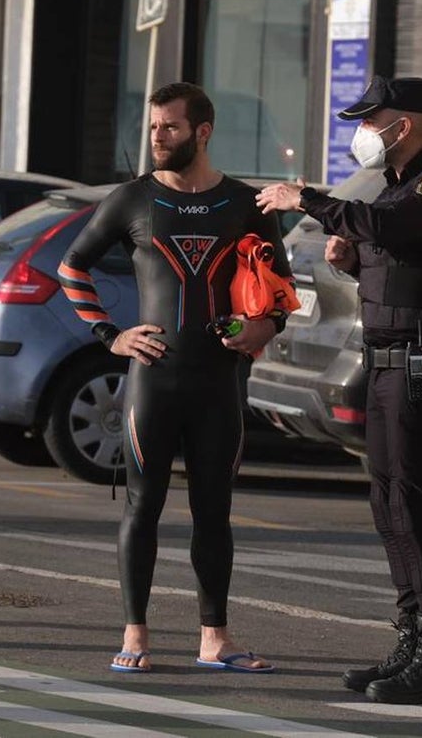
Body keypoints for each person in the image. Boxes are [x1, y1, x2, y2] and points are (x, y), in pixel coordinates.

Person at [256, 75, 422, 704]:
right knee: (386, 504)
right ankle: (409, 639)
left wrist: (308, 199)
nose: (363, 133)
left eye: (370, 120)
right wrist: (351, 258)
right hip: (382, 362)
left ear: (401, 126)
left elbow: (393, 228)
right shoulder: (396, 190)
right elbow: (387, 242)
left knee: (411, 503)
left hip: (419, 365)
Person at [58, 82, 290, 675]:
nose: (157, 137)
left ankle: (216, 639)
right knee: (144, 506)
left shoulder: (244, 203)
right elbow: (71, 267)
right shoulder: (132, 198)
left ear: (201, 132)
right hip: (152, 380)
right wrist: (111, 335)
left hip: (219, 381)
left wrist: (264, 330)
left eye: (170, 128)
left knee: (214, 511)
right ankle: (135, 634)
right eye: (154, 127)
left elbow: (282, 294)